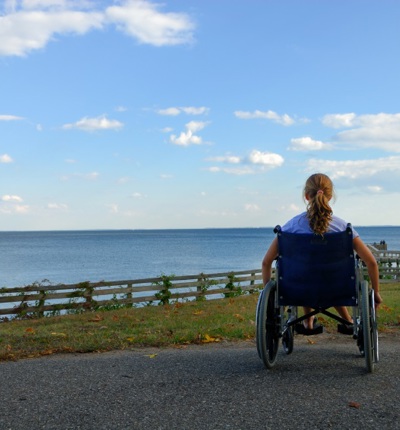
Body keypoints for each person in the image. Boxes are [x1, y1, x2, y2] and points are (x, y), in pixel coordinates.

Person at [261, 173, 382, 335]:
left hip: (298, 288)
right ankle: (347, 320)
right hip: (336, 287)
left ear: (306, 196)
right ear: (330, 196)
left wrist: (268, 300)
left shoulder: (290, 228)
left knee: (306, 273)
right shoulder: (343, 228)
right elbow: (371, 262)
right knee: (329, 276)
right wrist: (376, 293)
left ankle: (308, 321)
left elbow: (266, 263)